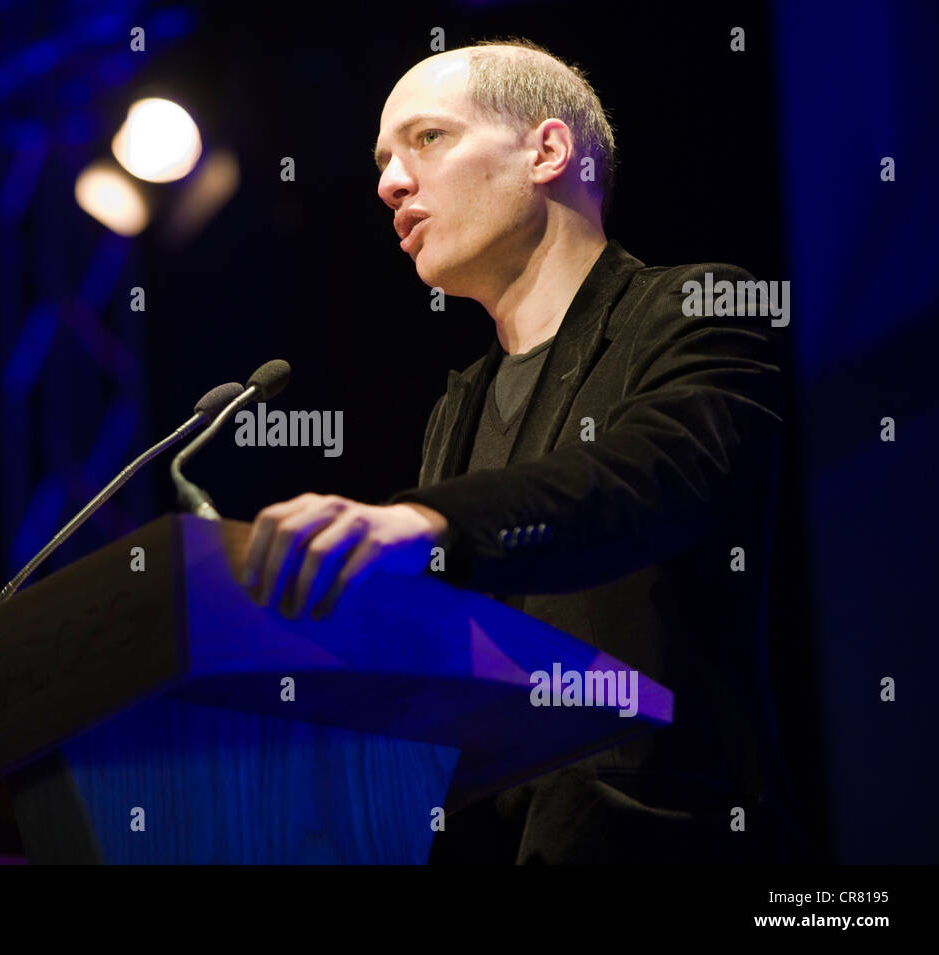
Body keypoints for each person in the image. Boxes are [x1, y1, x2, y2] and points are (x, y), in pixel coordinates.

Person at [238, 38, 805, 863]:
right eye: (384, 160)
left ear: (547, 151)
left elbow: (648, 477)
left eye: (426, 139)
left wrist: (429, 521)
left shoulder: (694, 311)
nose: (389, 182)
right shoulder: (456, 408)